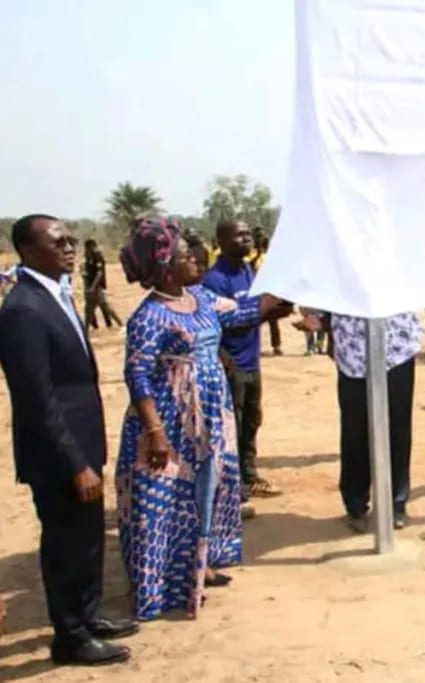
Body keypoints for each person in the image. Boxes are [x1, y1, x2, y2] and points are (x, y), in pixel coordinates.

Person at [116, 218, 291, 620]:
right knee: (164, 502)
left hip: (210, 417)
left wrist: (292, 280)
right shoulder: (149, 317)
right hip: (169, 422)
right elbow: (137, 374)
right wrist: (155, 432)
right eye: (184, 255)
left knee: (207, 490)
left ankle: (201, 564)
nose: (195, 258)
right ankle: (159, 587)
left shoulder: (201, 298)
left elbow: (248, 309)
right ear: (164, 267)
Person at [0, 214, 136, 666]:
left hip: (82, 443)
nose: (69, 247)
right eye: (58, 241)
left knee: (90, 538)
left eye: (70, 239)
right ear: (28, 250)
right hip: (58, 454)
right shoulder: (22, 309)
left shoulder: (54, 294)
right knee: (65, 545)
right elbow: (37, 398)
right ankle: (70, 637)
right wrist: (75, 461)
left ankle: (88, 616)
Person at [204, 219, 282, 499]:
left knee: (251, 420)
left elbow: (255, 310)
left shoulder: (249, 271)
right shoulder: (214, 279)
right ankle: (231, 486)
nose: (247, 239)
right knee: (231, 426)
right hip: (231, 365)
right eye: (240, 235)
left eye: (248, 233)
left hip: (252, 361)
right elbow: (217, 321)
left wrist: (278, 309)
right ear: (222, 242)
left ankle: (249, 476)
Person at [325, 311, 422, 531]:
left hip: (397, 344)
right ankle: (356, 505)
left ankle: (396, 504)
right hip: (353, 348)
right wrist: (321, 319)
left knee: (397, 428)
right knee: (355, 431)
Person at [82, 238, 123, 333]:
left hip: (96, 287)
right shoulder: (89, 256)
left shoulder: (97, 256)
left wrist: (93, 287)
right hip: (91, 287)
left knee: (105, 307)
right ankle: (85, 331)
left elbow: (99, 273)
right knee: (89, 309)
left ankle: (121, 324)